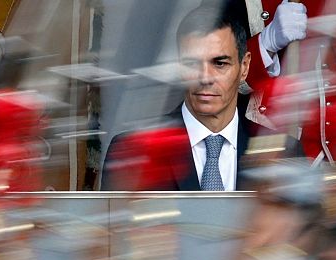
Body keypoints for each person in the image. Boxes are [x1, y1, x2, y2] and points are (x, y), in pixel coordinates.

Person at [101, 6, 298, 191]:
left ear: (244, 67)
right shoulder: (134, 150)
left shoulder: (283, 152)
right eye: (192, 64)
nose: (205, 78)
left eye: (220, 63)